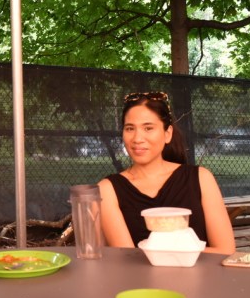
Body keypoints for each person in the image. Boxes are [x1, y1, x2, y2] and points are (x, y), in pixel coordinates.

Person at [98, 91, 236, 255]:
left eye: (148, 128)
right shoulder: (107, 190)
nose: (137, 138)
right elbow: (128, 258)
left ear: (167, 134)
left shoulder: (201, 178)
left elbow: (225, 250)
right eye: (130, 128)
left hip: (204, 272)